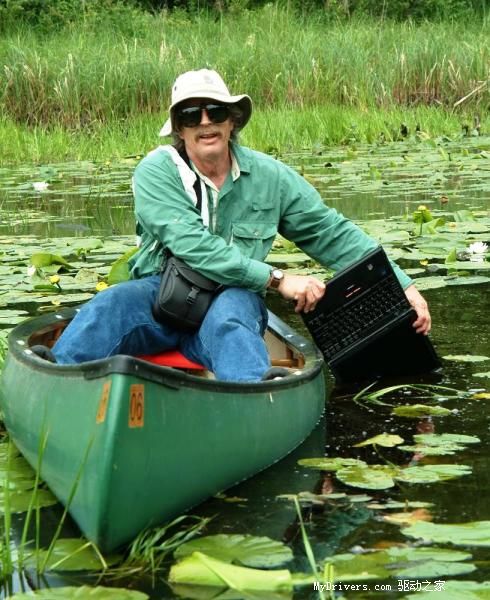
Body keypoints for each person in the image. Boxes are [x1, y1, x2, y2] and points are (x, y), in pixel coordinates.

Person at [52, 68, 431, 381]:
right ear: (179, 129)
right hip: (160, 296)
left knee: (232, 318)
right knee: (111, 303)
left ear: (232, 121)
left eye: (216, 112)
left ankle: (253, 404)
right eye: (191, 116)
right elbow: (194, 247)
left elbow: (330, 233)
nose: (205, 123)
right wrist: (279, 280)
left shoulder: (271, 177)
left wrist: (403, 286)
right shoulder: (156, 171)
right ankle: (53, 381)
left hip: (232, 296)